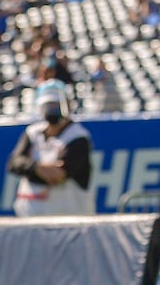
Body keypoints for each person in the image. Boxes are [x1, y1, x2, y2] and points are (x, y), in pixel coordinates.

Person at [6, 79, 95, 216]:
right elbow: (14, 163)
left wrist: (31, 169)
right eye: (48, 105)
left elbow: (57, 176)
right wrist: (35, 167)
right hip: (31, 218)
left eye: (55, 105)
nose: (51, 110)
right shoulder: (33, 133)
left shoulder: (78, 137)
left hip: (70, 220)